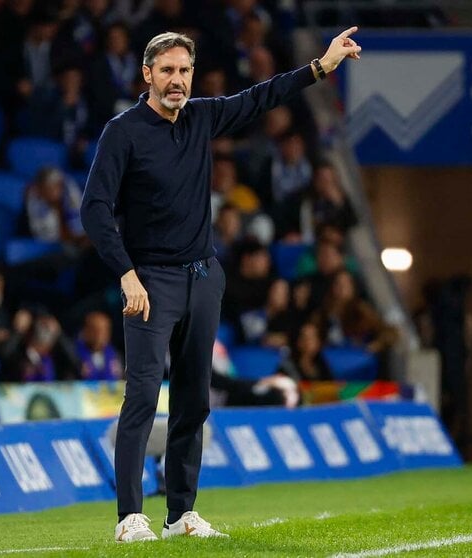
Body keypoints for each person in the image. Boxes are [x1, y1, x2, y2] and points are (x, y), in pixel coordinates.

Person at [80, 28, 362, 541]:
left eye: (184, 70)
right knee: (142, 396)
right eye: (167, 70)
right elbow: (94, 209)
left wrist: (319, 68)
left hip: (203, 277)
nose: (178, 80)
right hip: (150, 282)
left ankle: (180, 514)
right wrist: (126, 274)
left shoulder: (203, 117)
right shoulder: (123, 132)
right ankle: (129, 518)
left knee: (195, 399)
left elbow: (261, 97)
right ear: (147, 75)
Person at [75, 311, 122, 380]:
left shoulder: (116, 356)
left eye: (105, 330)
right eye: (96, 330)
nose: (101, 335)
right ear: (86, 331)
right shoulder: (74, 355)